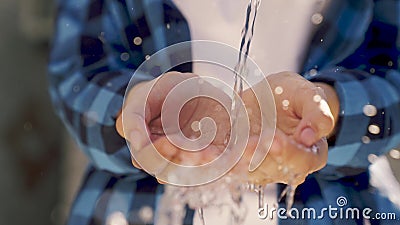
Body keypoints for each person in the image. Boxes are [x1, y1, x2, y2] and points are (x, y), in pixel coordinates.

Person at [48, 0, 400, 224]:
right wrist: (134, 112)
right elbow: (78, 70)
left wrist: (331, 111)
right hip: (138, 206)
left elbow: (393, 72)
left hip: (337, 207)